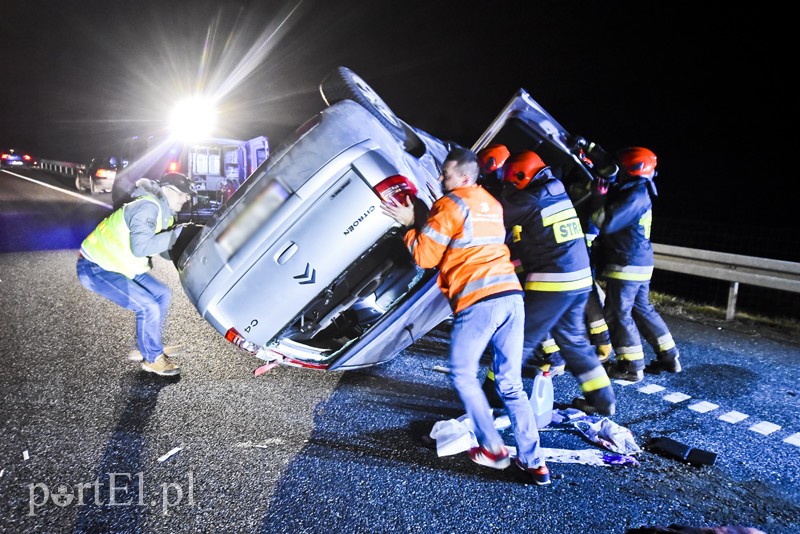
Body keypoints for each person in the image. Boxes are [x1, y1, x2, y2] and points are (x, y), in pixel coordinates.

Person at [381, 147, 550, 485]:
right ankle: (535, 464)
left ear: (464, 176)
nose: (441, 179)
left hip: (479, 300)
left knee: (462, 375)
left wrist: (408, 225)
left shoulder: (450, 204)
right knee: (511, 384)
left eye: (445, 174)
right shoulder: (492, 203)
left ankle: (494, 449)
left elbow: (425, 257)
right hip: (512, 298)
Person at [497, 150, 616, 416]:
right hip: (578, 281)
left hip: (553, 282)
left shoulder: (530, 198)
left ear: (520, 175)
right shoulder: (556, 189)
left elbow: (495, 213)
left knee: (518, 339)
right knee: (574, 342)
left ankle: (492, 394)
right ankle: (603, 399)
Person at [76, 172, 195, 376]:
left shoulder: (164, 213)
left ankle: (149, 344)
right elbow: (141, 248)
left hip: (120, 266)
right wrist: (175, 235)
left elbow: (162, 249)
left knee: (162, 294)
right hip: (95, 267)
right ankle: (151, 357)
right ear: (167, 189)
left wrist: (184, 245)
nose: (187, 199)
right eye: (183, 194)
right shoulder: (148, 206)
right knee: (148, 306)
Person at [593, 146, 681, 382]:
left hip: (626, 263)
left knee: (617, 313)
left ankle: (630, 366)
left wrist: (598, 196)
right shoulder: (637, 190)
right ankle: (669, 355)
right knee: (642, 309)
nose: (618, 170)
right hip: (638, 261)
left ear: (632, 168)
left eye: (621, 166)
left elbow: (605, 222)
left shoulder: (635, 194)